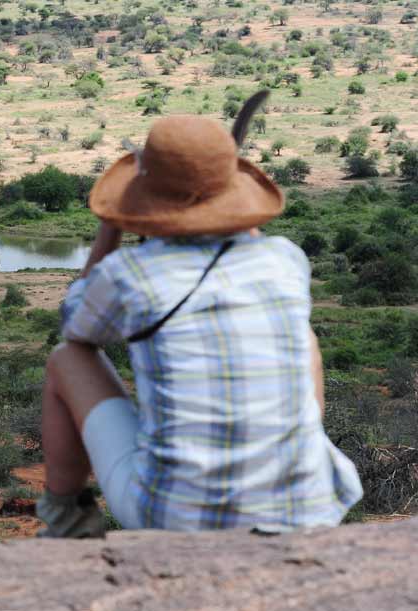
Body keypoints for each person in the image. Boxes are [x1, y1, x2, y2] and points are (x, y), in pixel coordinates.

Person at [37, 116, 362, 535]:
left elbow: (75, 327)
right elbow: (249, 243)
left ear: (142, 197)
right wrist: (233, 207)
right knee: (305, 336)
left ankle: (65, 517)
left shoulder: (128, 274)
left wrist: (110, 230)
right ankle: (292, 461)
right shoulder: (285, 259)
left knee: (67, 358)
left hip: (176, 516)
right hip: (305, 506)